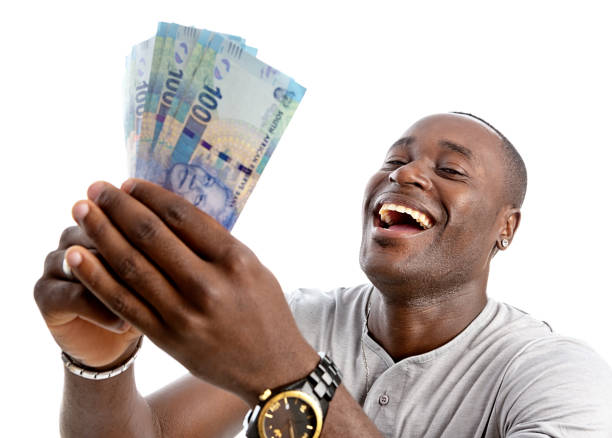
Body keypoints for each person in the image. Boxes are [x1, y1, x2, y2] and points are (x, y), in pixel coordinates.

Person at [34, 113, 612, 437]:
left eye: (451, 168)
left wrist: (286, 373)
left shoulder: (555, 375)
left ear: (505, 229)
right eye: (394, 159)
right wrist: (99, 364)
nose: (407, 171)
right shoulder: (304, 321)